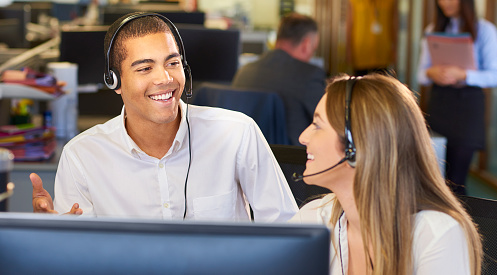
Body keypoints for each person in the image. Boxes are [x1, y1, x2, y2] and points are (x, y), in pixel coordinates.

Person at [31, 12, 298, 221]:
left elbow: (288, 233)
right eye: (145, 68)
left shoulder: (237, 134)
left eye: (173, 63)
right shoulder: (82, 157)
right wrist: (56, 238)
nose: (165, 78)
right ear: (116, 82)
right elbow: (82, 256)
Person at [290, 74, 483, 275]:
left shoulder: (435, 235)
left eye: (317, 125)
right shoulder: (314, 219)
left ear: (356, 146)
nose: (303, 137)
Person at [417, 0, 497, 195]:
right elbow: (420, 74)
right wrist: (432, 72)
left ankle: (460, 228)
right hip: (440, 105)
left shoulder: (485, 30)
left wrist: (464, 74)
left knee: (457, 180)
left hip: (468, 108)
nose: (445, 2)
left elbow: (495, 75)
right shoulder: (432, 30)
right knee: (434, 177)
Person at [232, 13, 326, 145]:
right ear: (306, 44)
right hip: (292, 161)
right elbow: (330, 123)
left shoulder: (244, 72)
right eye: (313, 49)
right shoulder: (309, 75)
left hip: (247, 158)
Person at [346, 0, 398, 76]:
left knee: (380, 86)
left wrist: (394, 49)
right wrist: (348, 50)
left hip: (382, 50)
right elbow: (350, 25)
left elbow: (394, 24)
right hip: (361, 50)